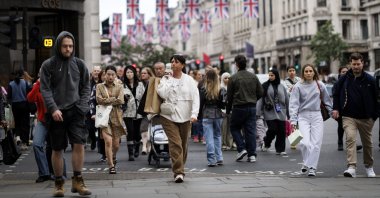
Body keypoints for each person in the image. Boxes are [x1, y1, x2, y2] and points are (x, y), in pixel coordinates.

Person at [40, 31, 91, 196]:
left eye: (70, 46)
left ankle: (78, 181)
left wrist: (82, 107)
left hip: (76, 111)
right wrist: (53, 108)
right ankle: (59, 183)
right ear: (58, 46)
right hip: (56, 113)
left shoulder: (80, 64)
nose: (68, 49)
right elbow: (45, 89)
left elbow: (86, 88)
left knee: (79, 144)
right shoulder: (48, 65)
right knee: (57, 149)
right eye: (65, 46)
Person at [332, 53, 378, 178]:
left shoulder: (370, 80)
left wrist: (374, 116)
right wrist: (336, 108)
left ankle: (369, 167)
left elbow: (377, 98)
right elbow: (336, 93)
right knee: (350, 139)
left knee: (367, 143)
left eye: (358, 64)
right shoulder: (344, 78)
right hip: (348, 116)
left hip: (366, 117)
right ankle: (351, 167)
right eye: (354, 64)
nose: (356, 66)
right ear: (350, 64)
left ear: (363, 64)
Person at [157, 54, 199, 183]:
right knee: (175, 143)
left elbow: (196, 97)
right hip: (168, 115)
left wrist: (194, 114)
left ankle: (180, 166)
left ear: (182, 65)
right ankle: (178, 172)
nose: (173, 64)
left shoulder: (189, 80)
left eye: (175, 62)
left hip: (186, 116)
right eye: (171, 62)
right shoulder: (165, 79)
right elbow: (162, 93)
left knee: (183, 144)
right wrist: (169, 80)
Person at [289, 64, 332, 177]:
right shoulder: (297, 86)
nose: (308, 73)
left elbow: (327, 100)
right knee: (304, 143)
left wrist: (332, 112)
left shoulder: (320, 84)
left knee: (316, 144)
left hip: (317, 115)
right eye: (306, 71)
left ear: (314, 72)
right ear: (303, 73)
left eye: (310, 71)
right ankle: (307, 163)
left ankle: (312, 167)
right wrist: (293, 121)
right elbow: (293, 104)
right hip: (303, 116)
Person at [226, 55, 263, 163]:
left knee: (234, 127)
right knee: (250, 130)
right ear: (246, 64)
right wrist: (253, 99)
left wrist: (228, 111)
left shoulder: (233, 78)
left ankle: (241, 148)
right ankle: (252, 155)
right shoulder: (253, 76)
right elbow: (261, 92)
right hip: (251, 107)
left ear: (236, 64)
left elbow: (229, 97)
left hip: (238, 107)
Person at [96, 66, 125, 174]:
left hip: (116, 117)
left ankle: (113, 156)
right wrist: (113, 99)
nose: (110, 76)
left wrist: (107, 100)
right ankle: (111, 166)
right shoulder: (99, 86)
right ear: (105, 75)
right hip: (104, 117)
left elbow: (121, 100)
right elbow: (99, 100)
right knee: (108, 141)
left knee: (116, 145)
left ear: (115, 75)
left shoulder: (119, 86)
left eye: (113, 74)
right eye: (108, 74)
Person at [27, 74, 51, 183]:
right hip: (42, 120)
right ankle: (44, 173)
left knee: (55, 147)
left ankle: (58, 173)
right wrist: (37, 84)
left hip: (55, 121)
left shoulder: (55, 83)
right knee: (36, 144)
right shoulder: (38, 85)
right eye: (41, 74)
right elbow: (30, 98)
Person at [199, 69, 225, 167]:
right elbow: (222, 105)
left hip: (206, 114)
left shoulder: (203, 89)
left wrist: (198, 116)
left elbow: (201, 104)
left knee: (209, 138)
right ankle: (219, 158)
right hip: (218, 114)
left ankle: (211, 160)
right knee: (217, 136)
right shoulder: (221, 89)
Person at [260, 69, 289, 155]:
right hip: (269, 111)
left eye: (272, 75)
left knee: (281, 131)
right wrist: (259, 112)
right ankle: (266, 142)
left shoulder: (281, 86)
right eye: (269, 75)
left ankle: (280, 149)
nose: (270, 77)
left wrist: (289, 113)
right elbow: (261, 99)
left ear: (276, 76)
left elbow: (287, 99)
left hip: (281, 111)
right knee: (272, 129)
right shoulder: (265, 86)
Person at [122, 65, 145, 161]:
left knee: (136, 132)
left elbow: (144, 97)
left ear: (134, 73)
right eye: (127, 72)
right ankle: (130, 153)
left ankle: (136, 147)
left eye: (131, 72)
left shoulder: (140, 84)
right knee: (130, 131)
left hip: (138, 111)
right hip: (127, 111)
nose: (129, 74)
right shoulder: (122, 84)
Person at [8, 69, 31, 151]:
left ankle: (17, 137)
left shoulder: (11, 84)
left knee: (17, 123)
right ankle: (24, 143)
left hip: (15, 106)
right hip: (24, 105)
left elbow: (9, 97)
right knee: (25, 124)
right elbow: (29, 96)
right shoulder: (25, 83)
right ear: (22, 74)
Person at [139, 67, 155, 155]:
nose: (143, 75)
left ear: (149, 74)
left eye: (145, 73)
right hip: (144, 109)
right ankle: (145, 146)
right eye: (142, 73)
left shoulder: (152, 83)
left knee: (151, 128)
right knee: (144, 127)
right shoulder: (140, 84)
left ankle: (148, 145)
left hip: (152, 109)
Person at [87, 65, 102, 151]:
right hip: (89, 108)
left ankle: (101, 148)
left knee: (100, 129)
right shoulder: (88, 82)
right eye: (95, 71)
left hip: (100, 108)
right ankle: (93, 139)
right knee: (90, 127)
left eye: (98, 71)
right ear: (92, 72)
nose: (96, 72)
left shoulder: (102, 82)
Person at [220, 72, 234, 150]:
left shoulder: (232, 87)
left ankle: (230, 143)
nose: (227, 79)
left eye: (229, 78)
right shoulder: (220, 87)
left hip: (231, 110)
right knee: (223, 128)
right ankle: (223, 143)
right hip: (223, 110)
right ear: (222, 79)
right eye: (225, 78)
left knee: (230, 128)